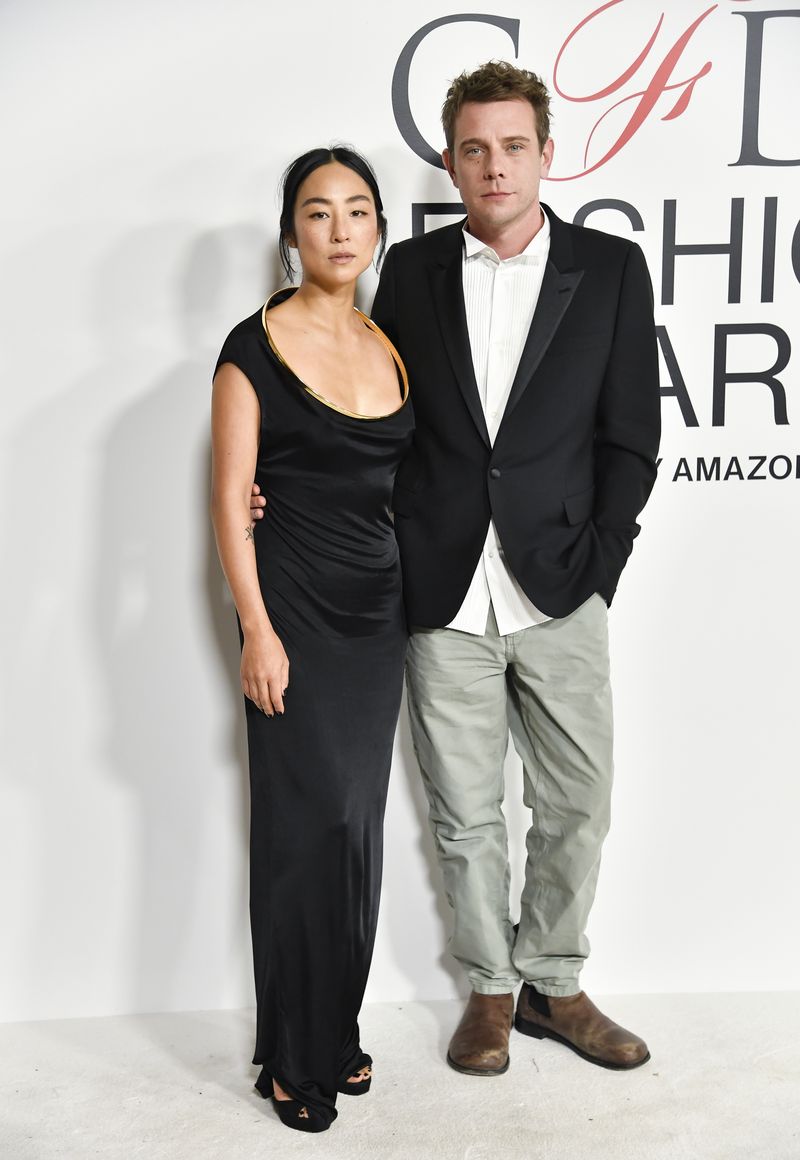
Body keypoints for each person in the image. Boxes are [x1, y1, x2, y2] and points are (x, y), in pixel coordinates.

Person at [252, 60, 661, 1077]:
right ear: (449, 157)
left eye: (511, 145)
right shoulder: (412, 273)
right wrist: (281, 486)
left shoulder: (609, 269)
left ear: (543, 154)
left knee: (578, 799)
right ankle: (488, 986)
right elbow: (368, 412)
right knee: (463, 809)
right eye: (472, 147)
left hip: (559, 580)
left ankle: (553, 983)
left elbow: (631, 437)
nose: (492, 165)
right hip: (437, 584)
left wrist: (599, 556)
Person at [211, 146, 413, 1132]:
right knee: (303, 829)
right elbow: (226, 498)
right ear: (290, 232)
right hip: (289, 609)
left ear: (376, 229)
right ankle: (292, 1056)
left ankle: (334, 1028)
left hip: (377, 617)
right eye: (318, 212)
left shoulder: (388, 345)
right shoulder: (250, 345)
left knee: (356, 830)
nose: (339, 229)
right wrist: (255, 626)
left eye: (357, 210)